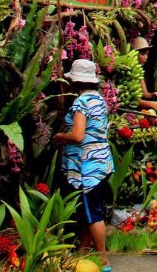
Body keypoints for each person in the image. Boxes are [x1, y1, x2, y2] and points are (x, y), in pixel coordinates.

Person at [55, 59, 115, 272]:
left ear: (75, 81)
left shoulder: (81, 103)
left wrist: (59, 136)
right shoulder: (98, 99)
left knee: (93, 214)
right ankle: (82, 250)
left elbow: (78, 135)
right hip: (102, 164)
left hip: (87, 168)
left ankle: (104, 261)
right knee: (89, 212)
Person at [133, 37, 157, 115]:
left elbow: (146, 95)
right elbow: (131, 101)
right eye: (143, 54)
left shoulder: (138, 72)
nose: (146, 57)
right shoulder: (127, 72)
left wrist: (153, 95)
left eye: (147, 54)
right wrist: (153, 104)